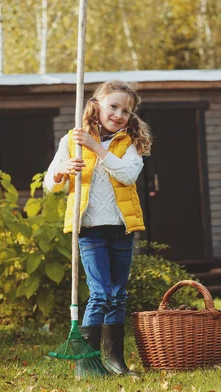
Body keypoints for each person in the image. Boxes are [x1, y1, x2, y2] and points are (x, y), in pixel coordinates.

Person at [44, 80, 152, 375]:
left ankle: (115, 359)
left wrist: (97, 148)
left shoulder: (130, 143)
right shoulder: (72, 140)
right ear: (97, 105)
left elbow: (128, 175)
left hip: (121, 228)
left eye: (125, 110)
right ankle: (87, 364)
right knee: (101, 293)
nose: (118, 114)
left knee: (118, 294)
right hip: (89, 229)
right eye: (113, 106)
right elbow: (49, 183)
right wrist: (62, 172)